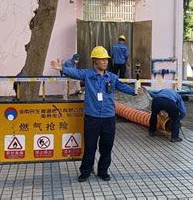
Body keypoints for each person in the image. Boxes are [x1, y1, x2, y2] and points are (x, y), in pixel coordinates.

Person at [50, 46, 143, 182]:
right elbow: (75, 73)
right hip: (92, 118)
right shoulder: (87, 74)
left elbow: (121, 86)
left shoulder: (111, 77)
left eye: (106, 59)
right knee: (90, 146)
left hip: (108, 118)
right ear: (95, 61)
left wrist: (133, 91)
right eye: (102, 59)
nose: (105, 62)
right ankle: (85, 172)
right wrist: (62, 68)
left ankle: (103, 171)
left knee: (106, 147)